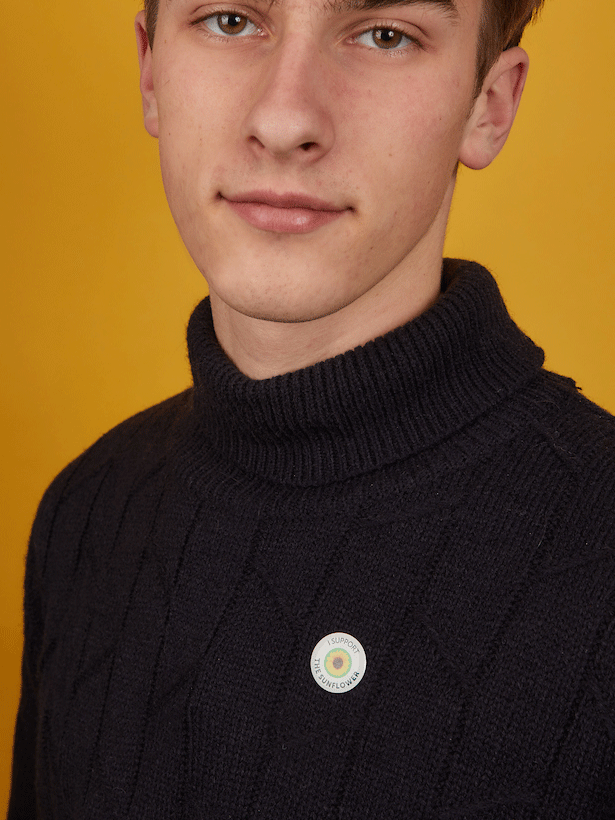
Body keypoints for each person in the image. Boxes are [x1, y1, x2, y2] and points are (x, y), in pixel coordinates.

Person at [8, 0, 615, 816]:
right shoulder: (88, 512)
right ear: (151, 72)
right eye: (230, 20)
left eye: (384, 35)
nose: (285, 118)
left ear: (488, 107)